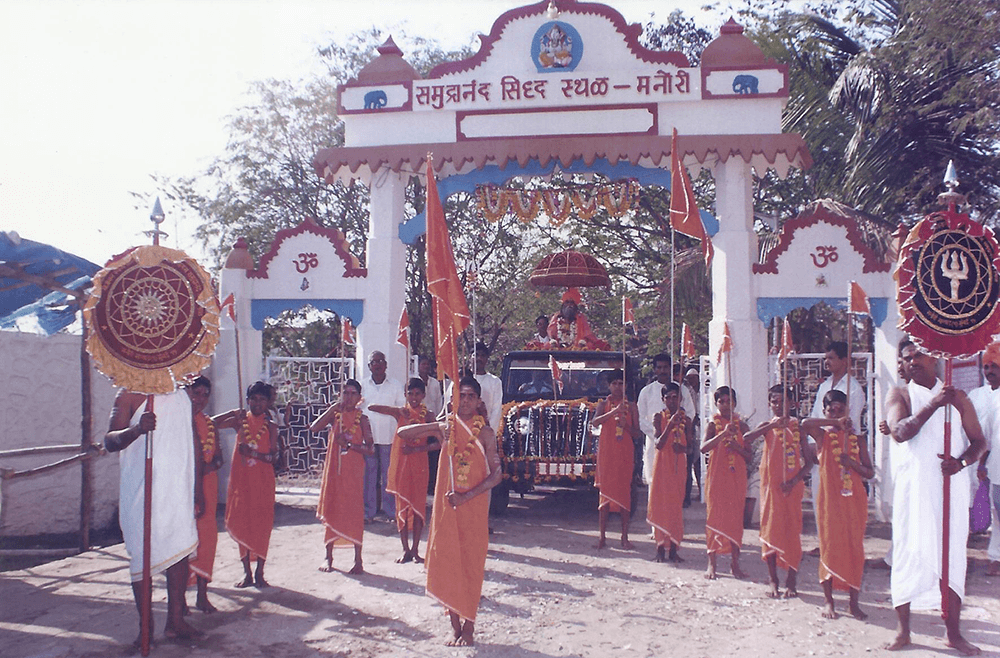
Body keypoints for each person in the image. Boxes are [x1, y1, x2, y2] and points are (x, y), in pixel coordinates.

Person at [884, 340, 985, 655]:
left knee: (951, 554)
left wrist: (961, 463)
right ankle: (903, 631)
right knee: (907, 551)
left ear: (936, 358)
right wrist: (933, 404)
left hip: (949, 486)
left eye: (920, 355)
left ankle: (953, 633)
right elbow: (899, 432)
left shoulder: (959, 397)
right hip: (913, 487)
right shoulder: (900, 395)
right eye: (908, 357)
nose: (913, 361)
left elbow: (979, 442)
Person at [402, 376, 502, 646]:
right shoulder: (446, 427)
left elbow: (496, 476)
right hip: (447, 509)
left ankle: (469, 627)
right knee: (447, 562)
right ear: (453, 399)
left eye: (470, 396)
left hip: (473, 508)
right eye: (461, 396)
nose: (465, 401)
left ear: (478, 401)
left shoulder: (485, 433)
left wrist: (466, 496)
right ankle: (454, 627)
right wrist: (437, 426)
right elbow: (403, 434)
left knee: (470, 564)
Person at [103, 385, 203, 641]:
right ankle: (145, 627)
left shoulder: (181, 393)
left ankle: (176, 621)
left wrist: (197, 488)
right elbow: (109, 441)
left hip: (177, 487)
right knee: (141, 556)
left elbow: (193, 439)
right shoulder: (128, 394)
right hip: (141, 490)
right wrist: (137, 429)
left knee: (180, 551)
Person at [802, 390, 874, 619]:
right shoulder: (822, 436)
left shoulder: (857, 439)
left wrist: (851, 462)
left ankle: (853, 603)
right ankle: (828, 601)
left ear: (847, 410)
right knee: (830, 547)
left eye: (840, 410)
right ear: (824, 412)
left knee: (854, 549)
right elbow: (805, 423)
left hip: (854, 500)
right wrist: (834, 423)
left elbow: (869, 472)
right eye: (831, 410)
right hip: (829, 500)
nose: (835, 413)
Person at [743, 384, 809, 598]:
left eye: (783, 401)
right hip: (771, 488)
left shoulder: (798, 427)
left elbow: (810, 461)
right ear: (770, 404)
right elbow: (746, 438)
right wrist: (771, 426)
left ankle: (791, 580)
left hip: (792, 488)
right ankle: (773, 580)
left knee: (792, 532)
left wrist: (795, 480)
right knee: (771, 530)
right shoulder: (767, 425)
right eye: (774, 402)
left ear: (791, 403)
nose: (779, 405)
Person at [215, 381, 279, 589]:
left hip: (263, 483)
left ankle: (260, 572)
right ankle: (247, 573)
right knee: (242, 522)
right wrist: (232, 413)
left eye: (262, 400)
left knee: (262, 525)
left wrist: (253, 454)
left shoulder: (271, 426)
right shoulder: (240, 421)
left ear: (267, 402)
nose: (257, 403)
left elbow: (273, 457)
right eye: (254, 399)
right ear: (248, 400)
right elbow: (212, 423)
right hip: (241, 483)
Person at [369, 378, 439, 563]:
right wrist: (396, 410)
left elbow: (439, 442)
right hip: (401, 464)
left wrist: (417, 449)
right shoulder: (401, 412)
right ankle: (405, 549)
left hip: (419, 464)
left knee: (417, 507)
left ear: (423, 395)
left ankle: (415, 550)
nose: (414, 398)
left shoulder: (428, 415)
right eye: (410, 394)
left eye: (417, 394)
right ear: (405, 395)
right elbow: (372, 407)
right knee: (402, 506)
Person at [310, 379, 374, 574]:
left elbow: (370, 449)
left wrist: (350, 446)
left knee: (354, 512)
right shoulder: (335, 415)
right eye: (345, 393)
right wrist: (331, 409)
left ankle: (358, 560)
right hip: (335, 472)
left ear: (359, 397)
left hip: (353, 472)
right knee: (333, 508)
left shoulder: (363, 419)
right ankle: (328, 557)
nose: (349, 397)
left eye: (353, 393)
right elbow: (314, 428)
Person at [808, 341, 866, 524]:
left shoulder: (854, 388)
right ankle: (824, 538)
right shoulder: (824, 386)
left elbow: (849, 422)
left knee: (841, 500)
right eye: (825, 358)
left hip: (843, 448)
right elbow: (815, 416)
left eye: (831, 358)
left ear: (844, 360)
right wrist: (813, 445)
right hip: (822, 446)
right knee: (820, 496)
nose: (827, 362)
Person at [701, 386, 751, 580]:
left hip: (736, 477)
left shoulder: (742, 427)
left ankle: (735, 564)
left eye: (729, 401)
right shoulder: (712, 425)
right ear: (716, 404)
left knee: (735, 520)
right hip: (717, 477)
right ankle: (711, 564)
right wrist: (722, 435)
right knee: (714, 517)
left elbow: (748, 456)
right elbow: (703, 448)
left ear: (735, 403)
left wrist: (736, 446)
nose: (725, 405)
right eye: (721, 401)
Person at [186, 376, 223, 614]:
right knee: (182, 543)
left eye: (204, 395)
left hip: (207, 488)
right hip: (183, 488)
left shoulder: (210, 424)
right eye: (195, 393)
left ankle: (202, 595)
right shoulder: (176, 422)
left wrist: (208, 466)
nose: (199, 399)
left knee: (206, 541)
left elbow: (219, 458)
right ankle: (179, 600)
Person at [592, 369, 639, 549]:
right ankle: (602, 537)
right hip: (607, 455)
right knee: (604, 496)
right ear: (608, 385)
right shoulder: (603, 404)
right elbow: (595, 422)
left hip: (624, 454)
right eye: (614, 383)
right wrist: (613, 412)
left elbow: (637, 433)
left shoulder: (631, 406)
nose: (618, 387)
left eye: (621, 383)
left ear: (625, 385)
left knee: (624, 495)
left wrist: (625, 425)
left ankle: (624, 537)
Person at [647, 383, 691, 563]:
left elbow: (691, 448)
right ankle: (659, 549)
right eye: (668, 398)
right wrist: (670, 424)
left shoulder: (687, 420)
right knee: (661, 504)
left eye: (675, 397)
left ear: (680, 399)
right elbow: (658, 443)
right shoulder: (658, 417)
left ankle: (673, 549)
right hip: (662, 465)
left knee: (675, 506)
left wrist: (682, 448)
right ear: (663, 399)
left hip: (678, 466)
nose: (672, 401)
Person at [361, 350, 404, 520]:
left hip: (389, 437)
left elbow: (401, 410)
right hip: (369, 439)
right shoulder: (363, 385)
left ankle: (391, 512)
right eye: (374, 362)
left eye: (380, 361)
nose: (377, 364)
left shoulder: (395, 385)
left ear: (386, 365)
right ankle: (368, 513)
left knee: (388, 476)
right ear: (369, 366)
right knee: (369, 477)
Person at [969, 343, 1000, 576]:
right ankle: (996, 557)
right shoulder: (976, 396)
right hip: (992, 463)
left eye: (995, 366)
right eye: (986, 367)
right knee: (996, 511)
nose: (989, 371)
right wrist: (981, 463)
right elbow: (986, 435)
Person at [638, 354, 672, 486]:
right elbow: (640, 418)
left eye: (665, 367)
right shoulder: (646, 391)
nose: (662, 371)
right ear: (655, 369)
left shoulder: (681, 390)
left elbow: (690, 414)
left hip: (676, 439)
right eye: (659, 367)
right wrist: (657, 433)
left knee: (673, 480)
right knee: (654, 479)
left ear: (670, 368)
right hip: (653, 440)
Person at [683, 366, 703, 505]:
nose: (691, 381)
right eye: (689, 378)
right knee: (693, 461)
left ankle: (702, 491)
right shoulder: (687, 391)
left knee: (700, 462)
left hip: (703, 426)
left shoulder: (704, 391)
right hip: (692, 427)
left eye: (693, 378)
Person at [417, 355, 444, 420]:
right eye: (423, 364)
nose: (426, 366)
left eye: (428, 364)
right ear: (418, 366)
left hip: (434, 418)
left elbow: (439, 402)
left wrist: (438, 417)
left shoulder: (435, 383)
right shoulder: (415, 382)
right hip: (418, 418)